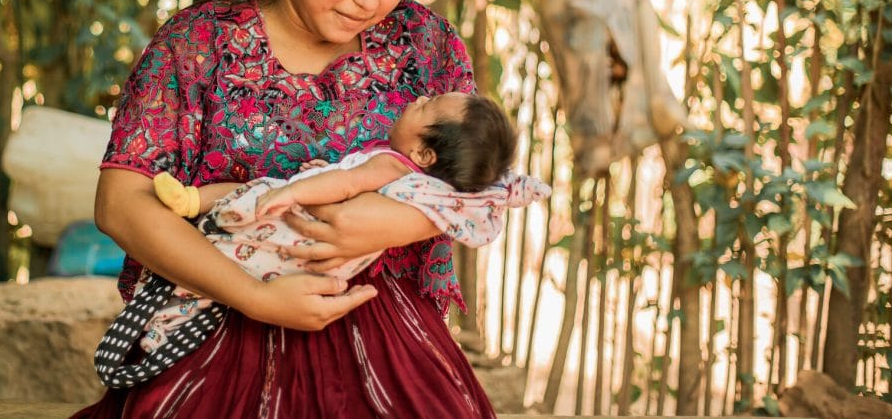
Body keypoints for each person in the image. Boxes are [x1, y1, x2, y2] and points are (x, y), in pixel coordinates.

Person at [73, 0, 503, 419]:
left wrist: (394, 220)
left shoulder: (425, 45)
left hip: (388, 344)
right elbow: (121, 204)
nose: (371, 0)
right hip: (220, 330)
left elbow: (480, 179)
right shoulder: (198, 45)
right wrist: (256, 297)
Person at [93, 93, 551, 387]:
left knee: (254, 192)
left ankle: (193, 204)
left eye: (427, 105)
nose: (419, 98)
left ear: (423, 153)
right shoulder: (428, 182)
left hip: (298, 236)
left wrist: (291, 190)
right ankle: (192, 207)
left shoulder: (391, 165)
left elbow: (343, 188)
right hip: (311, 269)